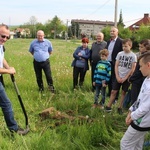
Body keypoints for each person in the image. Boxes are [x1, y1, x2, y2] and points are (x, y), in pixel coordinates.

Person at [0, 24, 28, 135]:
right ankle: (14, 129)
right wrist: (8, 71)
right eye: (2, 36)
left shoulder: (1, 45)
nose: (5, 39)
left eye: (7, 37)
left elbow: (2, 59)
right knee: (6, 104)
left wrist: (8, 67)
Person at [120, 52, 150, 150]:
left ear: (148, 65)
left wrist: (132, 116)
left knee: (125, 144)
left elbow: (146, 107)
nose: (139, 69)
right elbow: (140, 99)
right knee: (137, 144)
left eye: (140, 66)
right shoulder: (147, 79)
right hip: (139, 118)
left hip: (141, 121)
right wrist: (131, 109)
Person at [105, 39, 137, 114]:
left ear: (130, 46)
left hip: (127, 77)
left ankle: (120, 107)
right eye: (123, 46)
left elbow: (133, 68)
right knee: (113, 91)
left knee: (123, 92)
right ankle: (108, 106)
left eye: (126, 46)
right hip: (118, 76)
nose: (124, 48)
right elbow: (116, 65)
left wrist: (125, 78)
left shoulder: (133, 56)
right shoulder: (120, 54)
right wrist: (117, 76)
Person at [129, 39, 150, 105]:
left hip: (138, 80)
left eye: (141, 47)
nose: (139, 48)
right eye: (139, 46)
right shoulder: (142, 55)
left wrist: (131, 78)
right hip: (138, 80)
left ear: (147, 47)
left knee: (135, 99)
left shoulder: (145, 57)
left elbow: (140, 70)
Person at [106, 27, 123, 100]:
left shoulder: (121, 41)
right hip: (108, 63)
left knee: (115, 80)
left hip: (116, 64)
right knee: (109, 79)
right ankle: (110, 93)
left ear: (117, 33)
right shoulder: (108, 41)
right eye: (111, 31)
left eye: (113, 31)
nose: (112, 32)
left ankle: (115, 97)